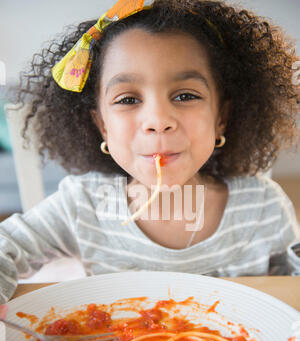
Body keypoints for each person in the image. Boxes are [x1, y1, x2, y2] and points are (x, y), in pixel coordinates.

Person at [0, 0, 300, 304]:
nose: (158, 121)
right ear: (103, 126)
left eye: (185, 95)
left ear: (219, 118)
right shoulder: (83, 205)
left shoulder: (265, 209)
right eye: (128, 99)